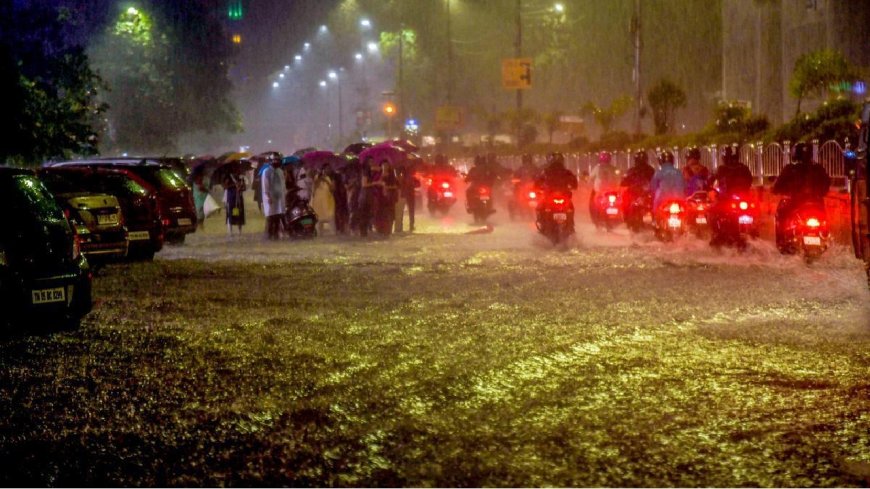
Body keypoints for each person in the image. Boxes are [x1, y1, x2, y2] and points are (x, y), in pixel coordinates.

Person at [772, 142, 831, 246]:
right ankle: (825, 236)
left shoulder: (790, 168)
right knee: (824, 218)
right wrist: (821, 193)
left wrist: (775, 190)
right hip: (816, 204)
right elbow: (827, 183)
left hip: (795, 203)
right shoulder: (818, 168)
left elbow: (778, 185)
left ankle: (781, 243)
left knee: (780, 214)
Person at [589, 151, 620, 220]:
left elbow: (591, 177)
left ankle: (595, 217)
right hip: (611, 191)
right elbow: (618, 176)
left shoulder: (597, 167)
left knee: (592, 204)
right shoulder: (612, 168)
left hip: (600, 191)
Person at [261, 159, 286, 240]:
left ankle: (276, 235)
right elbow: (265, 185)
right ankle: (269, 235)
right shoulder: (266, 172)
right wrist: (268, 197)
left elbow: (282, 184)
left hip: (279, 197)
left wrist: (283, 195)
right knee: (270, 217)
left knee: (278, 216)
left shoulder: (280, 171)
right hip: (271, 197)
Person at [310, 167, 336, 235]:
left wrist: (326, 181)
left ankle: (333, 232)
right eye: (326, 169)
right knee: (318, 217)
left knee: (330, 216)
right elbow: (314, 188)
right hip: (318, 201)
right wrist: (318, 179)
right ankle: (318, 232)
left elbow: (332, 189)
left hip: (327, 200)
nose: (327, 170)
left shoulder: (329, 178)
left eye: (328, 169)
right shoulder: (316, 177)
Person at [394, 160, 419, 233]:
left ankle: (408, 225)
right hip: (404, 193)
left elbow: (417, 183)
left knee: (405, 210)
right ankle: (405, 226)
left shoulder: (409, 173)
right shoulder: (401, 171)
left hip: (406, 193)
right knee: (403, 210)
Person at [223, 169, 246, 236]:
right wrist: (234, 185)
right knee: (230, 214)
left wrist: (240, 187)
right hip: (231, 199)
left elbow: (244, 188)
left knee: (239, 214)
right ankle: (230, 232)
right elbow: (225, 186)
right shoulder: (228, 177)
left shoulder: (241, 178)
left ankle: (240, 232)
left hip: (239, 198)